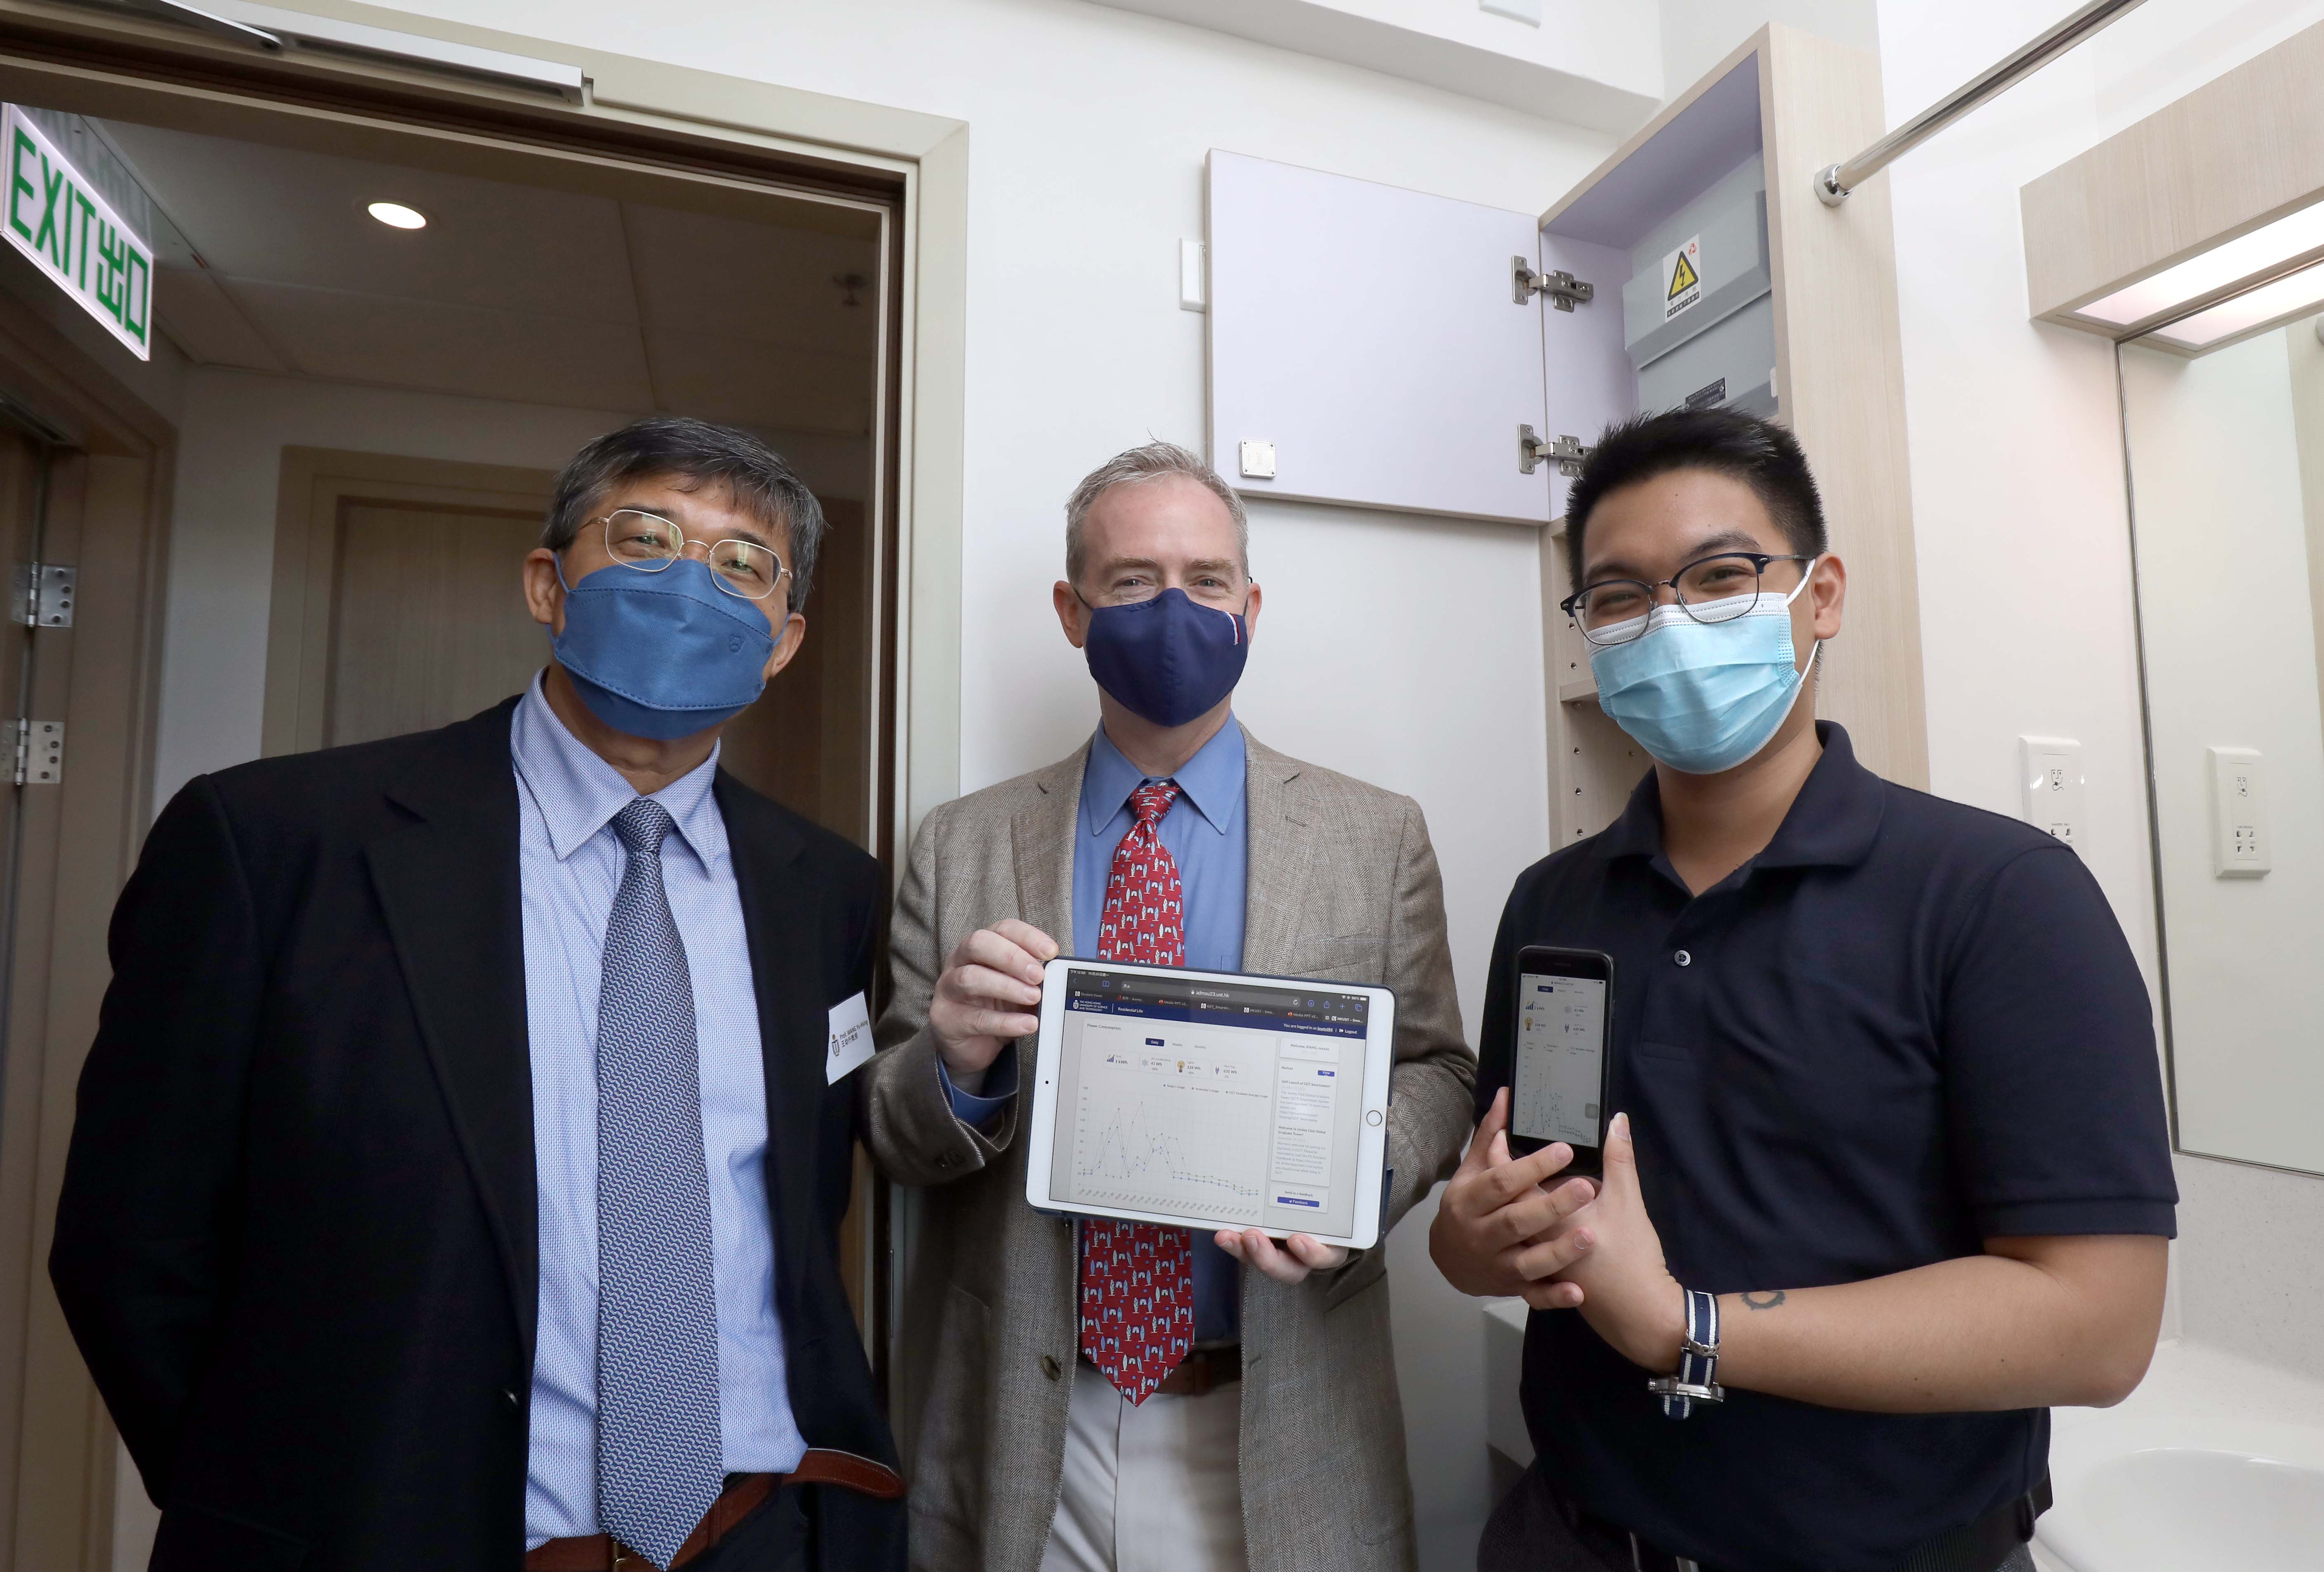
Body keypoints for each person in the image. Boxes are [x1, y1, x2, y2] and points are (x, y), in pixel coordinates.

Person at [52, 417, 905, 1572]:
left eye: (742, 563)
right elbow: (129, 1242)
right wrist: (271, 1505)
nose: (689, 586)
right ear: (548, 584)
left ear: (783, 642)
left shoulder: (828, 891)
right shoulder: (275, 841)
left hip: (759, 1535)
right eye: (645, 539)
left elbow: (797, 1222)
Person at [1431, 407, 2176, 1572]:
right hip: (1569, 1538)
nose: (1668, 623)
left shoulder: (1999, 895)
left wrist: (1687, 1328)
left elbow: (2099, 1326)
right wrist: (1470, 1244)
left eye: (1720, 577)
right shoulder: (1553, 903)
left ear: (1819, 596)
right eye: (1620, 597)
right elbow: (1524, 1197)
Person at [860, 441, 1473, 1572]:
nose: (1175, 610)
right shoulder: (959, 843)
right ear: (1072, 611)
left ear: (1250, 607)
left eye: (1206, 579)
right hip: (1029, 1425)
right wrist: (953, 1060)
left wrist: (1356, 1175)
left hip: (1285, 1422)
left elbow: (1438, 1071)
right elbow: (894, 1133)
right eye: (1134, 581)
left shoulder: (1375, 836)